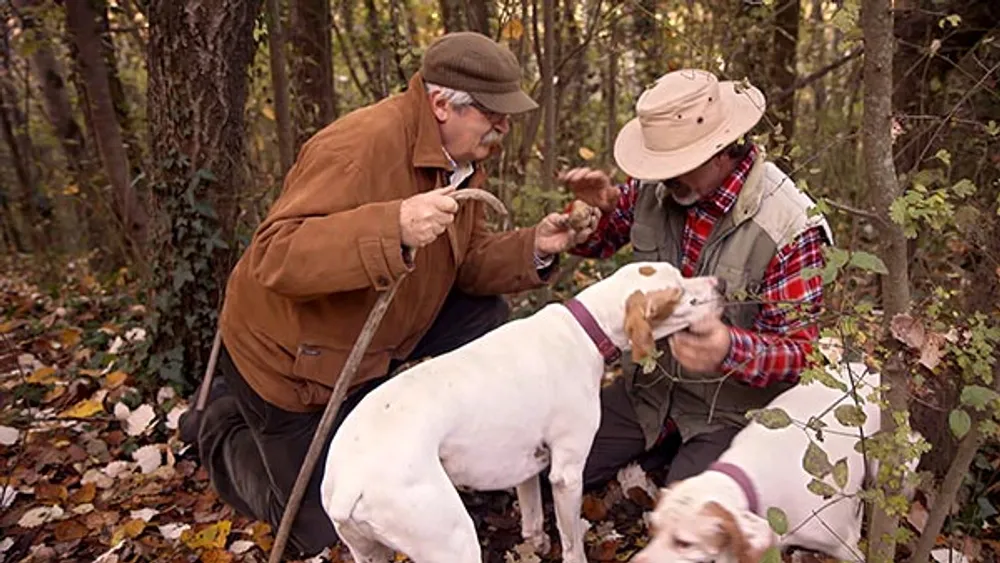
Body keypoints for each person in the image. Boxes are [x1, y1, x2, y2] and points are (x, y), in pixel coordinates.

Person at [180, 31, 595, 559]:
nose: (504, 127)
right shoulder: (358, 147)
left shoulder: (460, 156)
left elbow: (462, 266)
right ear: (442, 103)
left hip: (374, 347)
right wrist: (392, 226)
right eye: (494, 114)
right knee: (325, 524)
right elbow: (274, 256)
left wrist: (533, 246)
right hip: (292, 367)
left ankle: (456, 438)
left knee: (483, 316)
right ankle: (218, 428)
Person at [559, 69, 833, 488]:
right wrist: (596, 213)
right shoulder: (658, 188)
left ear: (723, 150)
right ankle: (660, 451)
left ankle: (680, 462)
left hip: (729, 410)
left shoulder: (790, 225)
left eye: (678, 164)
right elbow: (600, 242)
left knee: (691, 527)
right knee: (558, 470)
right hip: (648, 390)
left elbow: (801, 354)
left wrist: (730, 348)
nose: (665, 177)